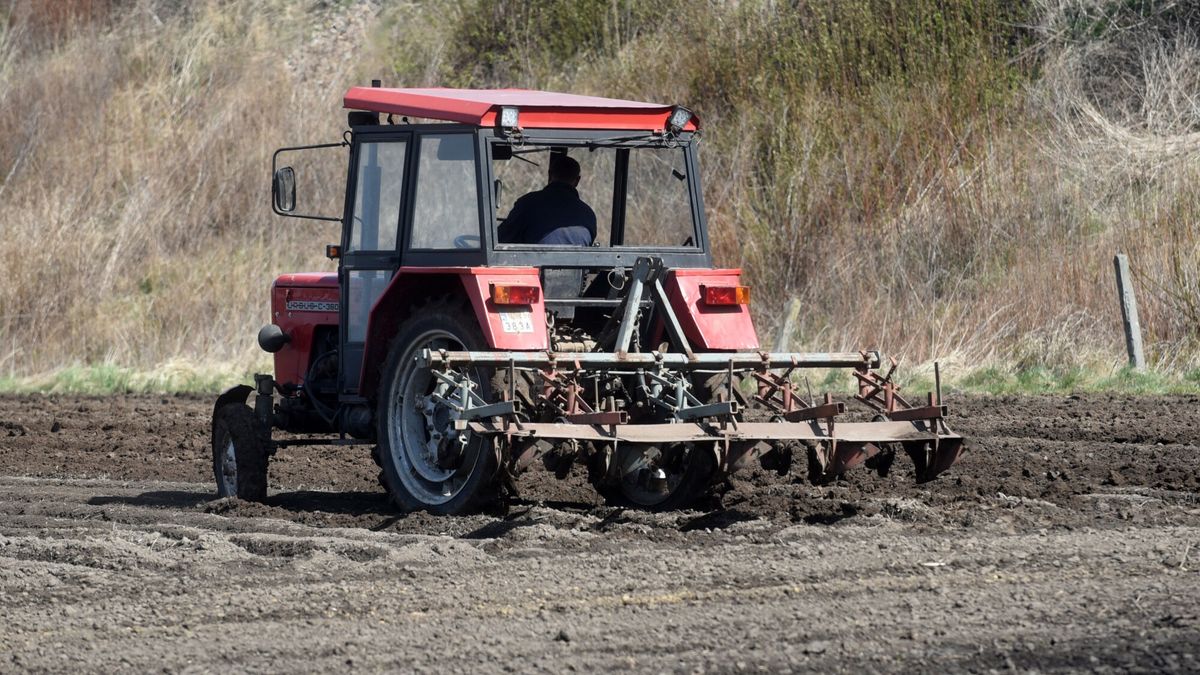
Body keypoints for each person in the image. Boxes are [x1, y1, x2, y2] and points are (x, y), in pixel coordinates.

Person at [498, 154, 596, 246]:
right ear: (577, 180)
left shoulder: (527, 204)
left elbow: (501, 239)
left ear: (549, 174)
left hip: (534, 259)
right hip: (576, 260)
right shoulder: (588, 214)